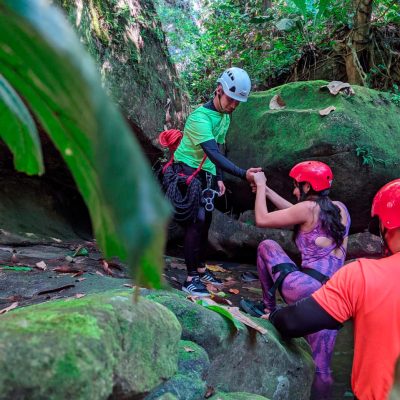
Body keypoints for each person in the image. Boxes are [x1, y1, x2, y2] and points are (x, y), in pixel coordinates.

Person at [268, 178, 400, 400]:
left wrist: (273, 315)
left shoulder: (362, 275)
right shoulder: (338, 211)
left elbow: (293, 321)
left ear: (386, 224)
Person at [245, 161, 350, 399]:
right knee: (323, 369)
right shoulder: (339, 209)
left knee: (266, 246)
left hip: (306, 289)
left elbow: (262, 219)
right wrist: (269, 191)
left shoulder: (307, 210)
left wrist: (261, 187)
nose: (294, 191)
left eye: (296, 186)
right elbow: (295, 212)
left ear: (307, 185)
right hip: (332, 298)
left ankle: (268, 309)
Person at [171, 67, 261, 296]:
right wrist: (244, 174)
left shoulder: (224, 117)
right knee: (196, 220)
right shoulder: (199, 118)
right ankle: (190, 278)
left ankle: (201, 269)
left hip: (206, 174)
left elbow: (220, 147)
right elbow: (212, 152)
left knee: (207, 220)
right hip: (186, 172)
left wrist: (219, 179)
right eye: (231, 100)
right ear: (218, 90)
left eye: (237, 103)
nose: (233, 106)